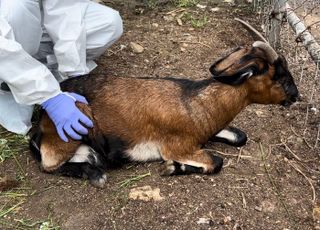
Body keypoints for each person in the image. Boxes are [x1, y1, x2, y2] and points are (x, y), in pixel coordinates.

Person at [0, 0, 123, 142]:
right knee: (17, 6)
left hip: (30, 26)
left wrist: (75, 75)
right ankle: (12, 83)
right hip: (5, 49)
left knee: (108, 23)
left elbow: (63, 9)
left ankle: (43, 74)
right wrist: (50, 97)